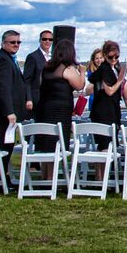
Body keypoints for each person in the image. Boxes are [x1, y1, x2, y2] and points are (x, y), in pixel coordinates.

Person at [34, 39, 85, 181]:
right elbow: (79, 86)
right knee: (57, 143)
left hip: (44, 108)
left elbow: (40, 84)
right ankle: (51, 178)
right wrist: (82, 72)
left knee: (46, 145)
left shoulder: (47, 67)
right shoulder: (67, 69)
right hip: (60, 110)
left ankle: (45, 177)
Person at [0, 30, 26, 191]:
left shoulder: (9, 59)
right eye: (12, 42)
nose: (16, 45)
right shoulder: (2, 60)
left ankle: (1, 177)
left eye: (18, 42)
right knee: (0, 147)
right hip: (2, 114)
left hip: (6, 113)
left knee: (6, 146)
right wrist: (9, 111)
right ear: (3, 44)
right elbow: (3, 88)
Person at [88, 40, 127, 147]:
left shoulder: (113, 69)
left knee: (110, 146)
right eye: (110, 57)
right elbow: (109, 91)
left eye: (116, 57)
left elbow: (125, 94)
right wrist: (120, 80)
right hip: (103, 113)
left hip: (112, 111)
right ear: (105, 55)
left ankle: (108, 163)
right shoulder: (104, 69)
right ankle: (104, 164)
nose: (114, 59)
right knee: (105, 146)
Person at [23, 29, 53, 119]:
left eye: (50, 39)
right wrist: (29, 99)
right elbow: (27, 80)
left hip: (50, 98)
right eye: (44, 39)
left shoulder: (53, 57)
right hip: (36, 99)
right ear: (40, 40)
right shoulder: (33, 57)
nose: (47, 41)